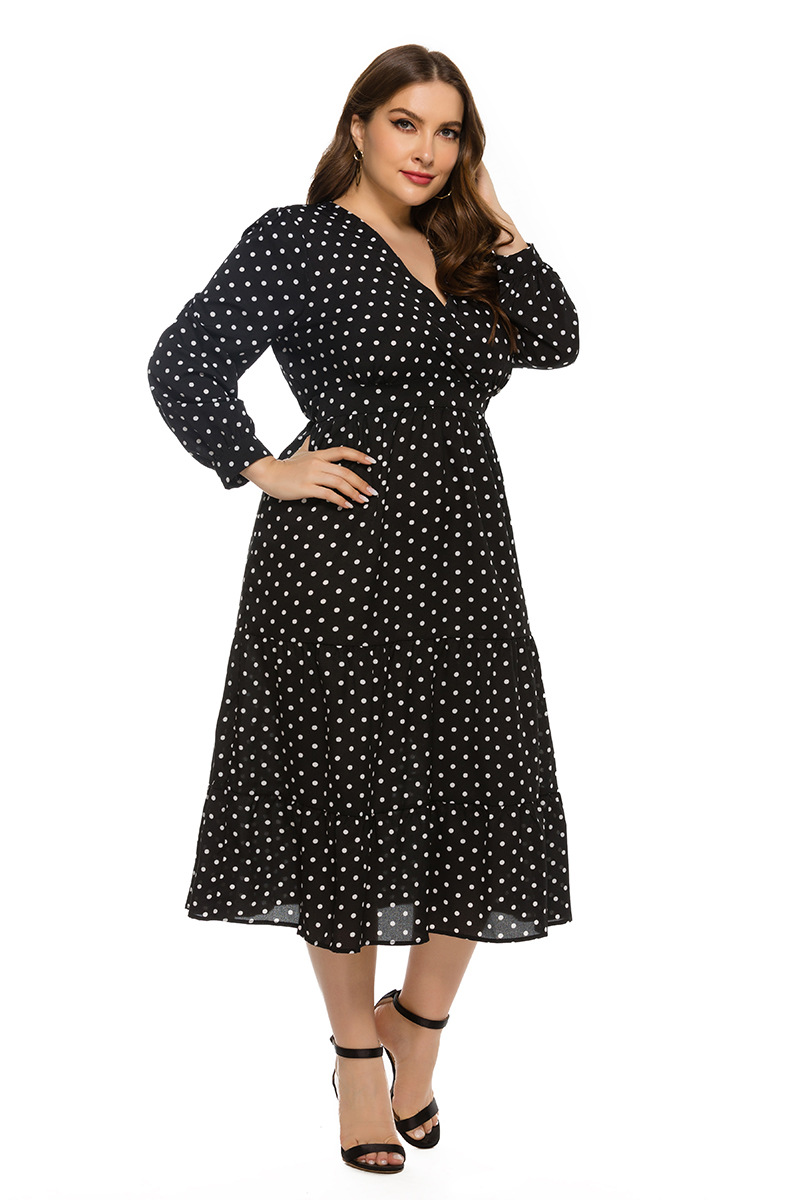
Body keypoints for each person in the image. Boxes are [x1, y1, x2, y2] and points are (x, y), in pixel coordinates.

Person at [147, 43, 579, 1175]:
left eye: (450, 132)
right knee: (345, 792)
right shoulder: (294, 241)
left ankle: (415, 1030)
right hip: (338, 559)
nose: (427, 150)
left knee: (481, 787)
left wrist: (495, 216)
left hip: (466, 557)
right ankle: (354, 1056)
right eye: (405, 123)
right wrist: (257, 464)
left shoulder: (464, 248)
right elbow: (183, 361)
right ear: (357, 127)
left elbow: (560, 341)